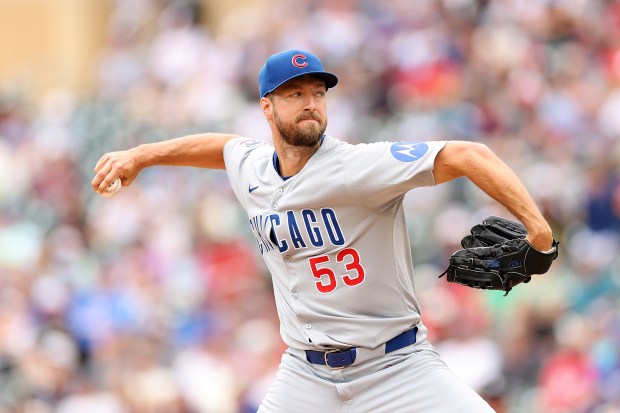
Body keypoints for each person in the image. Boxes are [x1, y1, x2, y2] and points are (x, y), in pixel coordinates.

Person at [92, 49, 555, 413]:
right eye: (295, 94)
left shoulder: (357, 167)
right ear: (267, 107)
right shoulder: (253, 168)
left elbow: (470, 155)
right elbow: (223, 147)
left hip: (395, 365)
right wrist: (142, 155)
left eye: (318, 92)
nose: (311, 103)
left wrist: (538, 235)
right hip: (306, 376)